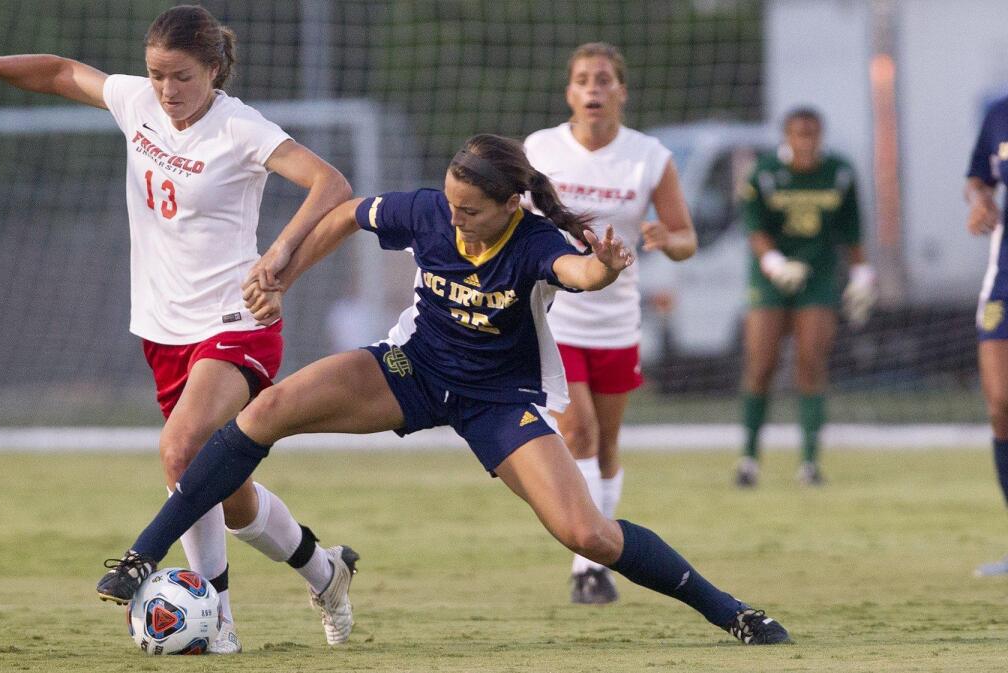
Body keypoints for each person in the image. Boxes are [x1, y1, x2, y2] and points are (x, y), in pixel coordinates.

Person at [96, 133, 792, 646]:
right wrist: (282, 268)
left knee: (588, 532)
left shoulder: (534, 240)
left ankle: (731, 611)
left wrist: (604, 271)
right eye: (451, 204)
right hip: (411, 371)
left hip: (495, 400)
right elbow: (344, 215)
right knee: (268, 409)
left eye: (470, 210)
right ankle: (143, 553)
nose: (454, 217)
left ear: (510, 204)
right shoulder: (429, 211)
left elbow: (577, 274)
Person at [0, 5, 359, 650]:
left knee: (182, 452)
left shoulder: (240, 128)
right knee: (221, 489)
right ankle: (324, 569)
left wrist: (279, 257)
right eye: (156, 76)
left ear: (213, 69)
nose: (168, 90)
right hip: (162, 327)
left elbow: (331, 182)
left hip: (236, 322)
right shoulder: (139, 104)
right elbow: (65, 73)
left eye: (181, 76)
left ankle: (215, 623)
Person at [524, 42, 697, 604]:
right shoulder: (541, 149)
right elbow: (516, 222)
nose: (593, 88)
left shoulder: (648, 156)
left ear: (622, 90)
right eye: (582, 79)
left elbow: (686, 237)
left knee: (608, 446)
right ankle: (588, 567)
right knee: (579, 433)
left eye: (603, 79)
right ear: (569, 93)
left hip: (618, 320)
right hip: (558, 313)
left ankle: (595, 549)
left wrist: (667, 240)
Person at [735, 107, 875, 488]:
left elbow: (852, 228)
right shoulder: (764, 173)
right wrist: (774, 262)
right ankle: (748, 459)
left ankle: (809, 463)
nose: (806, 142)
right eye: (798, 134)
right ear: (786, 137)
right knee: (761, 363)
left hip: (818, 277)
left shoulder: (840, 172)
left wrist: (863, 273)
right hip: (770, 280)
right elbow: (754, 227)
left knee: (811, 361)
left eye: (812, 134)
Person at [965, 94, 1008, 577]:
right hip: (1005, 277)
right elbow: (977, 180)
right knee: (1000, 403)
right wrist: (981, 202)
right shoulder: (998, 112)